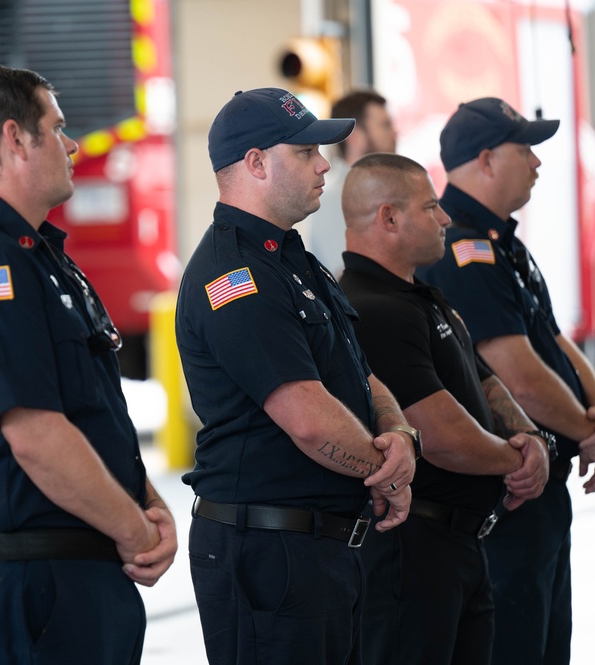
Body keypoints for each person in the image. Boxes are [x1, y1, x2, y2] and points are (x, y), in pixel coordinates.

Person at [0, 65, 176, 665]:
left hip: (77, 577)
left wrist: (145, 498)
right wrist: (137, 533)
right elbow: (35, 434)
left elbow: (88, 413)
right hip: (33, 586)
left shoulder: (42, 257)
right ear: (15, 139)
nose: (73, 144)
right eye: (57, 128)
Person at [174, 87, 417, 665]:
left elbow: (355, 371)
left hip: (317, 548)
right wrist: (386, 474)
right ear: (256, 163)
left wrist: (401, 434)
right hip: (270, 555)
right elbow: (307, 417)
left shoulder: (291, 259)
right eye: (305, 150)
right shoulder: (234, 275)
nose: (324, 163)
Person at [416, 97, 595, 665]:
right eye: (524, 149)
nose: (536, 162)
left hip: (543, 491)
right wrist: (587, 428)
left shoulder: (505, 245)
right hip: (509, 497)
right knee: (515, 646)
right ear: (485, 159)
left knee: (549, 644)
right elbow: (517, 375)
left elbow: (554, 342)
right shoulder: (461, 249)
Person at [338, 153, 551, 664]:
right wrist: (519, 458)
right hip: (413, 553)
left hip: (461, 547)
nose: (445, 218)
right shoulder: (373, 309)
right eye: (430, 206)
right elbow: (438, 435)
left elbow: (482, 378)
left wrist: (530, 437)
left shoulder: (421, 297)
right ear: (388, 218)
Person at [306, 89, 397, 274]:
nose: (395, 133)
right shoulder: (332, 198)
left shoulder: (386, 190)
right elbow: (348, 275)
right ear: (354, 137)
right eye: (385, 125)